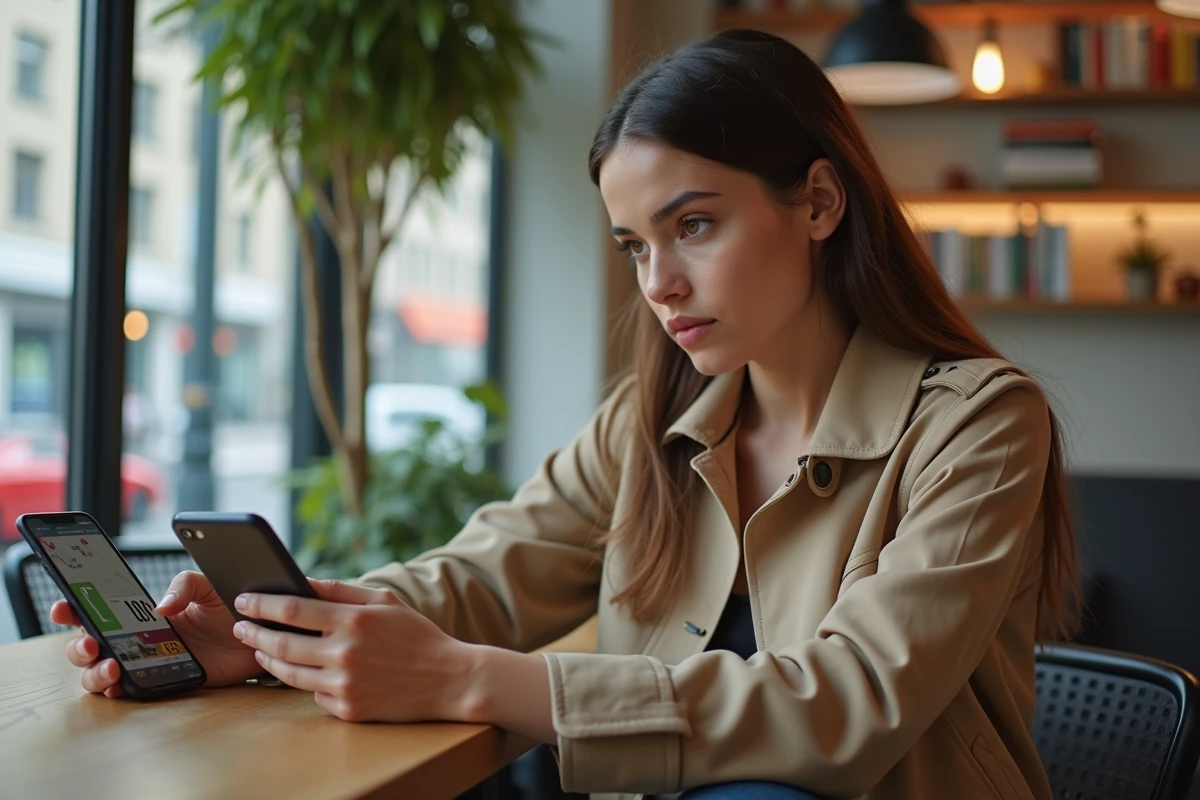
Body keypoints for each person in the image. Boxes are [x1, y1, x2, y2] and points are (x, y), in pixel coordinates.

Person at [54, 30, 1077, 800]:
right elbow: (487, 572)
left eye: (695, 224)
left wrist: (469, 677)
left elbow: (850, 701)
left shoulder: (981, 422)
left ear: (817, 202)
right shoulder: (657, 414)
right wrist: (276, 632)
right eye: (635, 244)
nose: (660, 282)